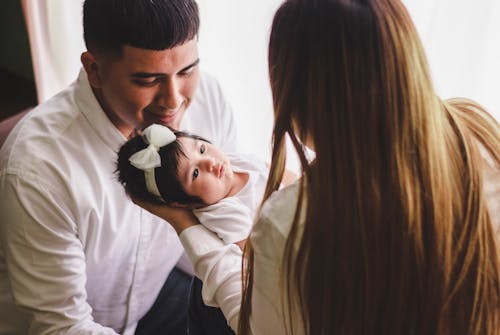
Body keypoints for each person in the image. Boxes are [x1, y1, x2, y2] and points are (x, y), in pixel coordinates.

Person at [132, 0, 500, 334]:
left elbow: (257, 328)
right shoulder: (478, 129)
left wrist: (185, 226)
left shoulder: (291, 220)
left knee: (206, 292)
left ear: (297, 96)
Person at [0, 0, 238, 334]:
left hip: (157, 296)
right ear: (94, 70)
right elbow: (63, 326)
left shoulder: (208, 97)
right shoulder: (38, 170)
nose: (173, 100)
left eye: (186, 71)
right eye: (148, 79)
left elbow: (229, 215)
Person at [117, 123, 269, 247]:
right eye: (195, 173)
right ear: (182, 203)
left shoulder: (234, 161)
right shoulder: (223, 213)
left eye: (202, 149)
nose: (209, 162)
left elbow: (277, 173)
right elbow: (256, 255)